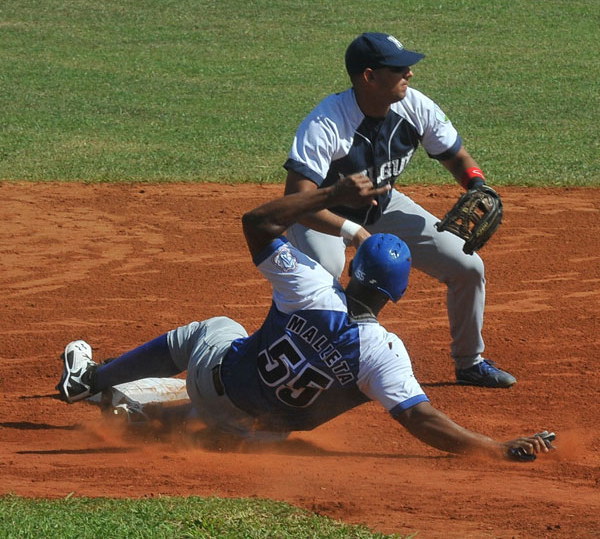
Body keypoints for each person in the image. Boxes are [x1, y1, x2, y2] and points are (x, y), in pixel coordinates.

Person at [56, 174, 551, 460]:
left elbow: (257, 221)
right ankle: (157, 419)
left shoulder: (311, 286)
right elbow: (423, 419)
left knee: (214, 330)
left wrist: (333, 192)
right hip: (254, 438)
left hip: (215, 389)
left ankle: (90, 380)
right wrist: (495, 448)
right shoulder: (384, 354)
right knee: (258, 397)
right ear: (399, 293)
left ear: (355, 269)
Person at [283, 32, 515, 388]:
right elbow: (296, 202)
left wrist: (477, 184)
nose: (410, 73)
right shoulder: (326, 123)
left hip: (385, 207)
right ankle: (306, 363)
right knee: (325, 276)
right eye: (399, 68)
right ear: (369, 76)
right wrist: (353, 232)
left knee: (467, 266)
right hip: (322, 218)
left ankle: (469, 362)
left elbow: (456, 156)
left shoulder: (415, 106)